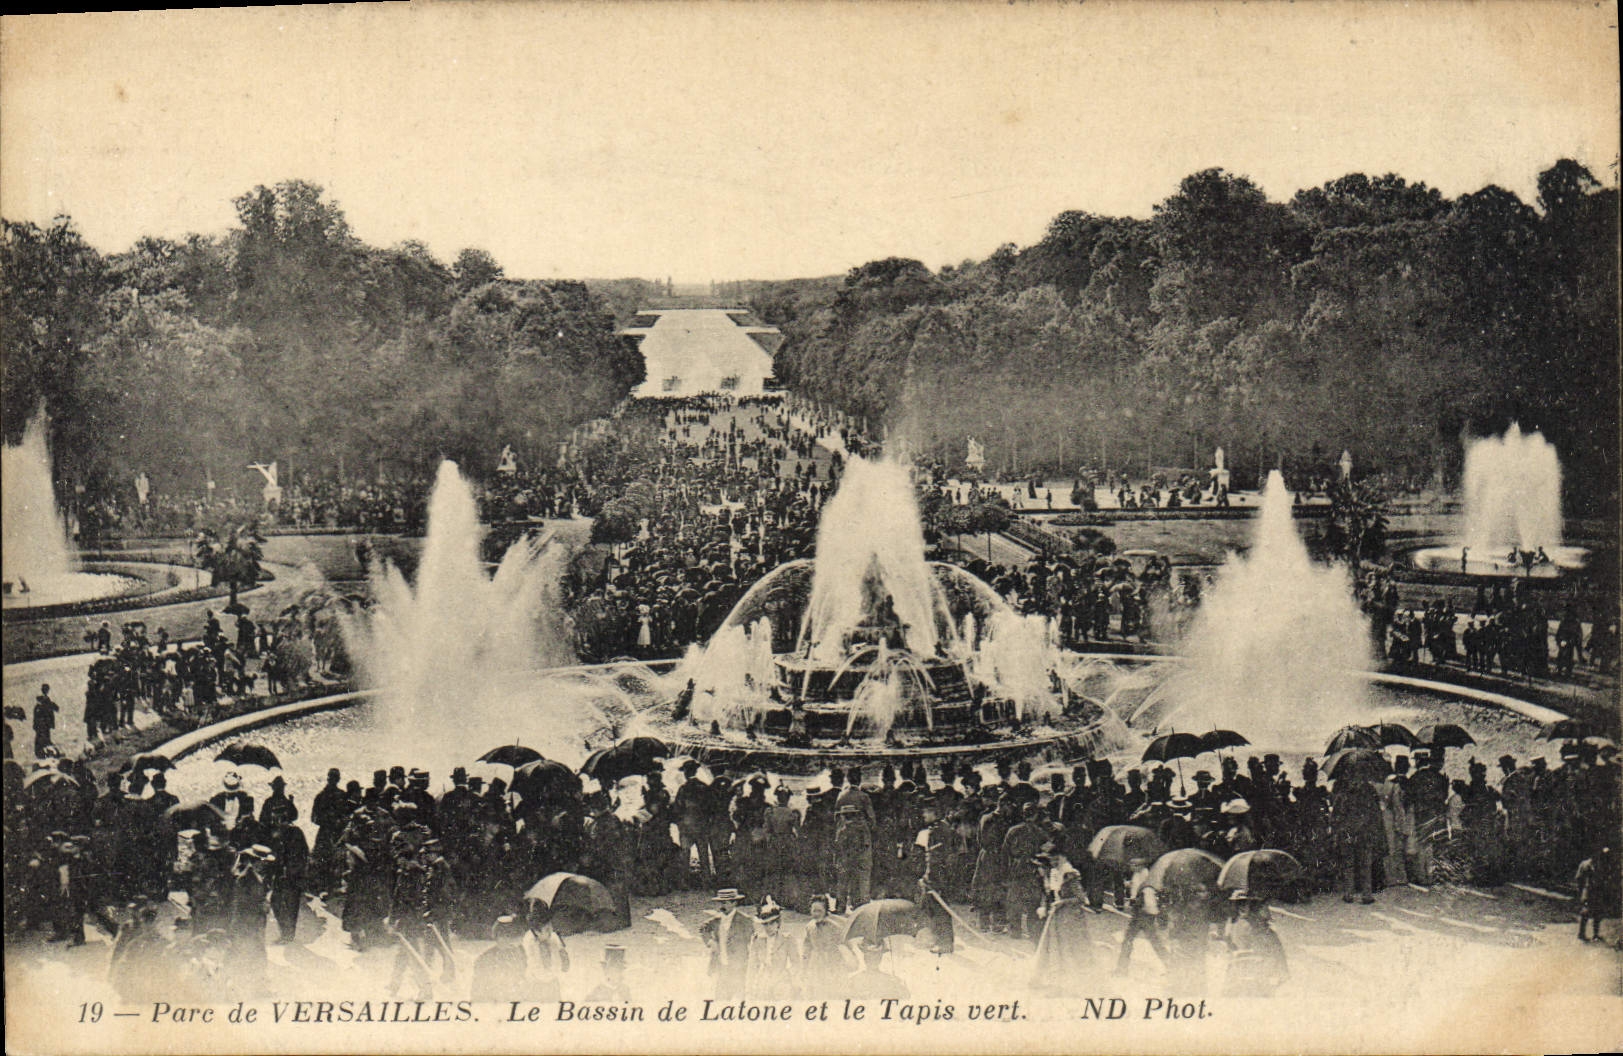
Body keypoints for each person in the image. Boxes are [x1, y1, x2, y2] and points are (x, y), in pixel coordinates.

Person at [1030, 861, 1092, 991]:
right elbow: (1048, 896)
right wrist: (1044, 907)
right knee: (1049, 948)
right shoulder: (1048, 877)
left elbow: (1081, 899)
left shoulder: (1069, 877)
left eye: (1040, 866)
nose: (1038, 870)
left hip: (1069, 918)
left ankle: (1070, 983)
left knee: (1066, 949)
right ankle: (1043, 979)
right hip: (1055, 917)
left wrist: (1062, 902)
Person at [1222, 895, 1289, 996]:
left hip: (1259, 974)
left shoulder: (1265, 931)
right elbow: (1230, 949)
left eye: (1245, 904)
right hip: (1240, 975)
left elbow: (1277, 954)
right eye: (1239, 904)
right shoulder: (1233, 925)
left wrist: (1281, 973)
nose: (1242, 907)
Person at [1114, 857, 1167, 975]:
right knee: (1154, 942)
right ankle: (1172, 966)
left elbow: (1148, 896)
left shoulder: (1146, 877)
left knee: (1129, 940)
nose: (1131, 867)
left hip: (1143, 913)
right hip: (1141, 912)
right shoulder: (1137, 875)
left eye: (1133, 865)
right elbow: (1135, 889)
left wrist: (1146, 910)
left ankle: (1121, 969)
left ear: (1140, 866)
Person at [698, 888, 753, 999]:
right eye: (720, 903)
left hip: (738, 968)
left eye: (725, 903)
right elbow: (703, 929)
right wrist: (711, 942)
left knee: (739, 999)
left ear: (734, 903)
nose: (722, 906)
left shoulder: (745, 920)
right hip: (721, 966)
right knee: (721, 999)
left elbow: (751, 940)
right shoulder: (716, 920)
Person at [470, 915, 529, 1003]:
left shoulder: (521, 952)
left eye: (514, 938)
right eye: (505, 937)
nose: (511, 942)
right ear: (497, 938)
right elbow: (478, 990)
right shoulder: (485, 959)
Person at [746, 895, 795, 999]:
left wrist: (790, 978)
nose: (768, 927)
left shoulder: (787, 939)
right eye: (765, 924)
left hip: (782, 981)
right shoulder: (757, 939)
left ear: (778, 923)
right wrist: (750, 987)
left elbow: (796, 963)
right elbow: (752, 965)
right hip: (763, 981)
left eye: (771, 923)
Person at [799, 894, 847, 996]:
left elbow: (844, 944)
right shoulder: (809, 927)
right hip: (816, 965)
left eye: (819, 911)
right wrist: (803, 970)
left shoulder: (835, 926)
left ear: (825, 911)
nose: (816, 914)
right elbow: (806, 949)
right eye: (814, 911)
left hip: (833, 963)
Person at [32, 685, 58, 759]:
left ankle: (44, 752)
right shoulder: (43, 702)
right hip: (43, 724)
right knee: (43, 738)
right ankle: (42, 753)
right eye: (46, 690)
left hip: (44, 724)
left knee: (43, 738)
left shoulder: (44, 701)